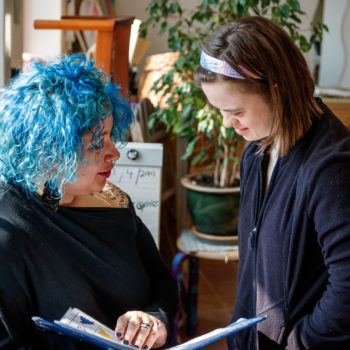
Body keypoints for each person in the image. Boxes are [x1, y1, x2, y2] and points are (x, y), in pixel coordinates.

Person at [0, 54, 178, 350]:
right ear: (52, 152)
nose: (115, 153)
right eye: (97, 143)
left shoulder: (114, 201)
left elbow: (162, 284)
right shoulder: (8, 231)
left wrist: (153, 319)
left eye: (110, 136)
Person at [195, 16, 350, 350]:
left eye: (235, 110)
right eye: (219, 110)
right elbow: (254, 271)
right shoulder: (256, 152)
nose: (227, 124)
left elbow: (348, 285)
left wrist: (302, 341)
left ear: (277, 88)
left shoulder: (331, 168)